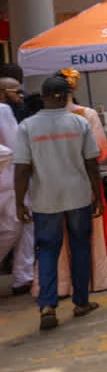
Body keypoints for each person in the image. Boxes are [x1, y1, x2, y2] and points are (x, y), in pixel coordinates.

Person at [13, 76, 103, 331]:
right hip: (78, 196)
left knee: (48, 250)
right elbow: (91, 164)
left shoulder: (27, 127)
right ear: (66, 96)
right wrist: (97, 195)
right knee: (80, 247)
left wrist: (20, 203)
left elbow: (21, 168)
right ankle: (81, 303)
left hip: (45, 199)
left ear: (42, 97)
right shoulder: (79, 122)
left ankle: (47, 306)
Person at [38, 69, 107, 297]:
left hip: (48, 189)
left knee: (50, 243)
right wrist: (97, 192)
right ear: (70, 91)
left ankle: (54, 291)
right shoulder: (85, 116)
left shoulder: (34, 122)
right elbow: (98, 154)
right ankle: (86, 290)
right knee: (82, 240)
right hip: (81, 184)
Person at [0, 91, 34, 295]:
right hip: (11, 179)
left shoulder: (5, 110)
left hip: (13, 178)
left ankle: (24, 276)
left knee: (25, 226)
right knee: (17, 225)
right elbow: (13, 148)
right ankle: (23, 275)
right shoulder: (3, 110)